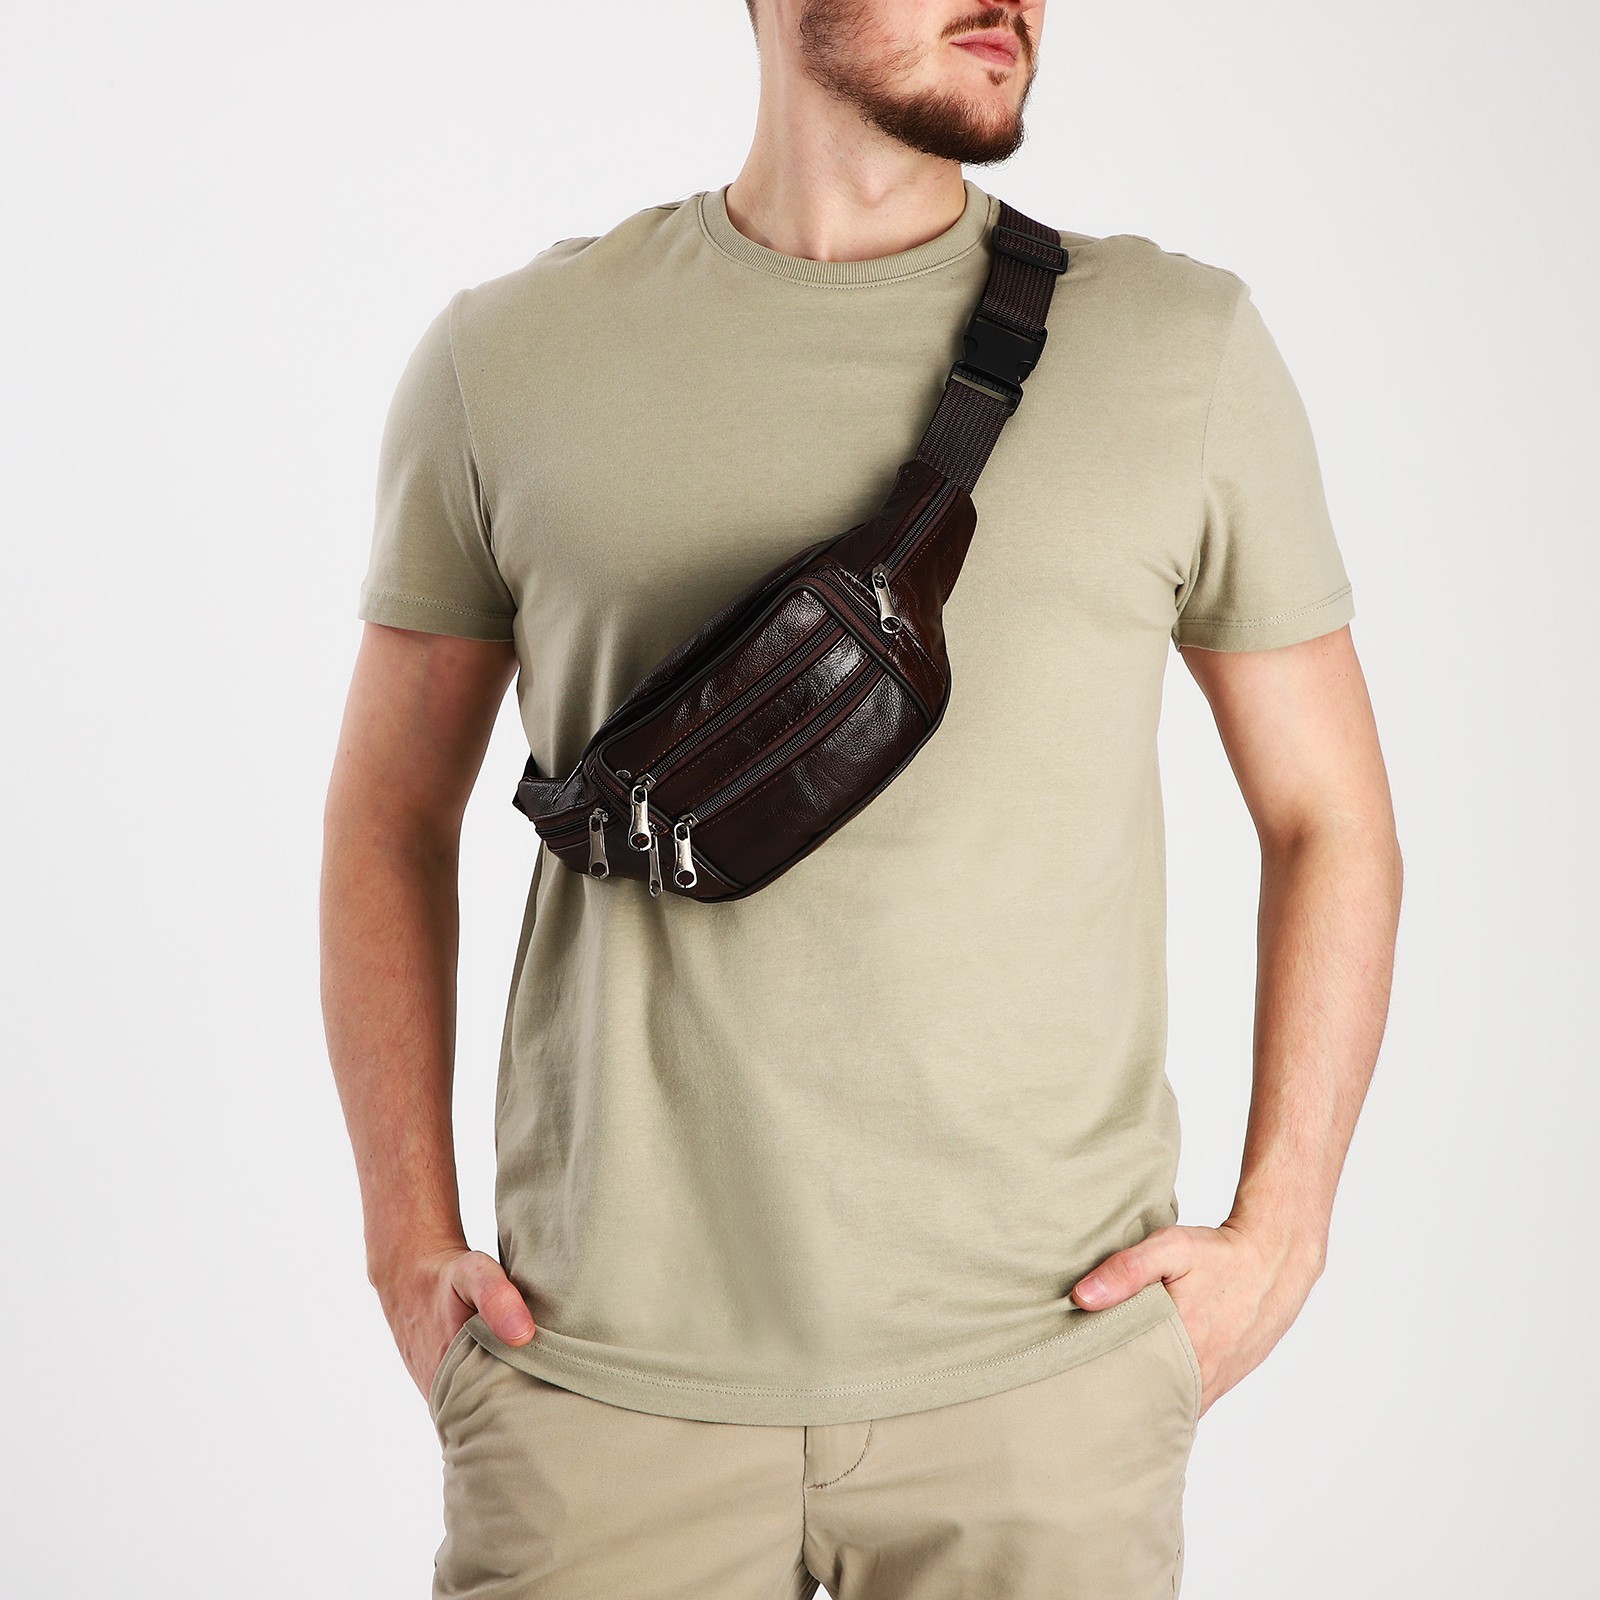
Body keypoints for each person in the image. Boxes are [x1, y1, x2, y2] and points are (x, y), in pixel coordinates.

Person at [319, 1, 1403, 1594]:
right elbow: (387, 817)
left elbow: (1332, 817)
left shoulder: (1183, 350)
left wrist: (1283, 1231)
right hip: (597, 1388)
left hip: (1048, 1383)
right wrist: (402, 1241)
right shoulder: (508, 359)